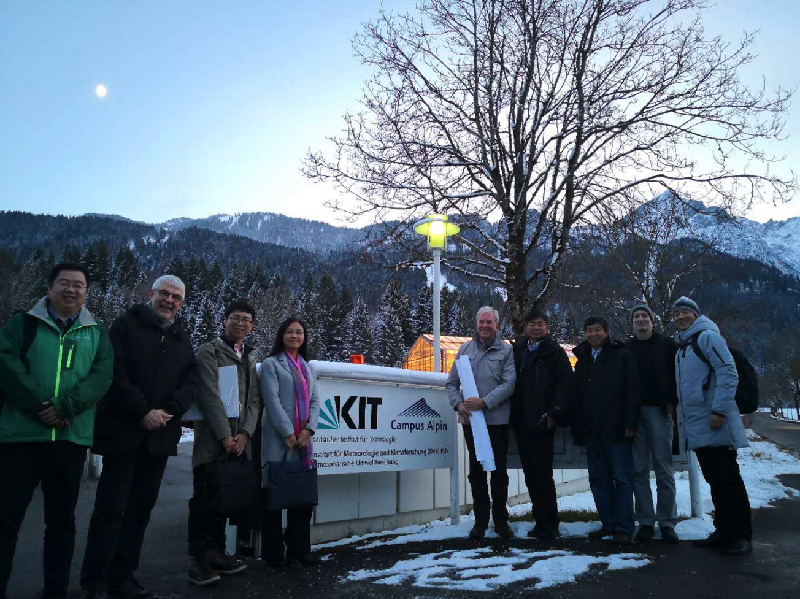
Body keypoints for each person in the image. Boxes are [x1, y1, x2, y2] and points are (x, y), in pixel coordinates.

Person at [0, 263, 114, 599]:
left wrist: (65, 407)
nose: (71, 289)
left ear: (86, 293)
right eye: (64, 283)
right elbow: (5, 362)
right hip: (19, 438)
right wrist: (40, 405)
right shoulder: (23, 324)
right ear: (50, 287)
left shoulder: (96, 332)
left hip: (69, 439)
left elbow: (101, 376)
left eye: (78, 285)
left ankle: (55, 591)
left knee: (62, 523)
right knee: (5, 520)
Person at [81, 275, 198, 599]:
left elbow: (190, 381)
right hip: (124, 433)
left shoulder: (181, 336)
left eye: (176, 297)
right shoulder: (125, 325)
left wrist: (170, 409)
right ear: (151, 293)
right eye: (165, 294)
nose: (169, 301)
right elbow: (113, 372)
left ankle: (123, 576)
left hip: (159, 438)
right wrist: (142, 411)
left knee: (139, 511)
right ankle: (95, 580)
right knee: (110, 510)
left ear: (181, 303)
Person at [187, 300, 263, 586]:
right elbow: (208, 395)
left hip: (239, 440)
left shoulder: (250, 357)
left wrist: (245, 433)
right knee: (204, 500)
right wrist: (224, 435)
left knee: (224, 499)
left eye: (246, 319)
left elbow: (254, 400)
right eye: (236, 317)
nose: (241, 323)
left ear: (252, 326)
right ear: (225, 320)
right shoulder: (210, 351)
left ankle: (216, 553)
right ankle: (197, 559)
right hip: (212, 441)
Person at [672, 296, 752, 556]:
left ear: (696, 314)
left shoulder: (708, 338)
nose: (681, 317)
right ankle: (723, 531)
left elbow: (728, 372)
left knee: (728, 479)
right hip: (698, 424)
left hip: (715, 421)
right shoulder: (683, 347)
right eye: (676, 314)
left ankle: (740, 535)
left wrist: (719, 410)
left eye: (686, 312)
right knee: (715, 480)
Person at [446, 306, 516, 539]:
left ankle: (501, 521)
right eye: (481, 322)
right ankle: (480, 521)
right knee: (476, 473)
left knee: (498, 473)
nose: (485, 326)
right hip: (472, 424)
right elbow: (451, 384)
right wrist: (459, 404)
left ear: (497, 325)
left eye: (489, 322)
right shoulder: (464, 349)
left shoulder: (506, 350)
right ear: (476, 324)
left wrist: (484, 402)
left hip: (497, 422)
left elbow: (509, 384)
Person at [573, 316, 640, 544]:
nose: (593, 334)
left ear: (607, 332)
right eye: (589, 330)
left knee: (622, 479)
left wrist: (630, 423)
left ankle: (624, 527)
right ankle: (608, 523)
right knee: (598, 479)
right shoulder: (583, 359)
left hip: (617, 428)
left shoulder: (622, 356)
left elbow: (633, 391)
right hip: (592, 430)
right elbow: (577, 394)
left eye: (598, 330)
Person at [259, 317, 320, 566]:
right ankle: (273, 552)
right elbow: (271, 401)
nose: (295, 336)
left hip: (303, 442)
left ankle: (299, 548)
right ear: (281, 335)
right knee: (274, 494)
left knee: (301, 495)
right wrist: (287, 432)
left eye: (299, 332)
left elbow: (315, 401)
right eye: (290, 332)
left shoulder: (308, 367)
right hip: (279, 439)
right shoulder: (271, 364)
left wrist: (309, 430)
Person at [510, 308, 574, 540]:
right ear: (525, 327)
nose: (536, 327)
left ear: (546, 327)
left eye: (540, 324)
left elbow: (565, 384)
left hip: (543, 420)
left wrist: (554, 412)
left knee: (543, 474)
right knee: (530, 473)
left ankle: (550, 522)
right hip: (521, 420)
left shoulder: (554, 352)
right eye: (532, 323)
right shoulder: (517, 350)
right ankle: (539, 520)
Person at [624, 304, 680, 544]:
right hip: (634, 414)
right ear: (632, 322)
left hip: (659, 411)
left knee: (663, 468)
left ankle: (667, 522)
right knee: (639, 470)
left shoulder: (667, 345)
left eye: (644, 315)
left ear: (651, 320)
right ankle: (645, 521)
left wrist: (672, 400)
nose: (640, 319)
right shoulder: (626, 348)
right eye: (636, 316)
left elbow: (678, 375)